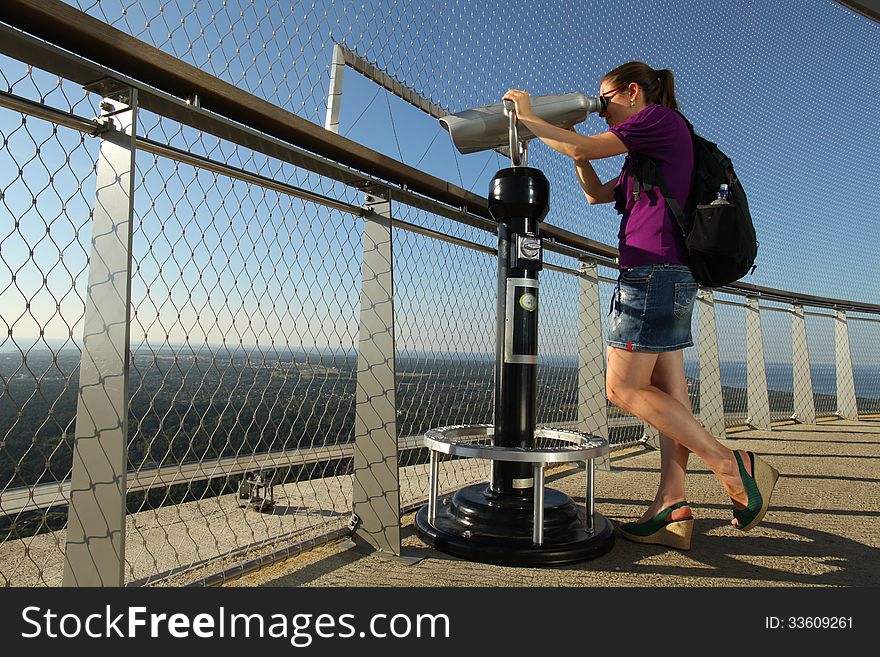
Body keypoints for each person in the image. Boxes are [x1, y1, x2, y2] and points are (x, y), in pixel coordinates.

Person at [502, 62, 778, 550]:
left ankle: (732, 465)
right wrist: (570, 146)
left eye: (604, 99)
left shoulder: (658, 121)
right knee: (671, 396)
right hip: (664, 276)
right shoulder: (643, 153)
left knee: (622, 388)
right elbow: (594, 194)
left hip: (652, 275)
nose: (601, 108)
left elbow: (587, 145)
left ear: (633, 93)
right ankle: (672, 504)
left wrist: (528, 117)